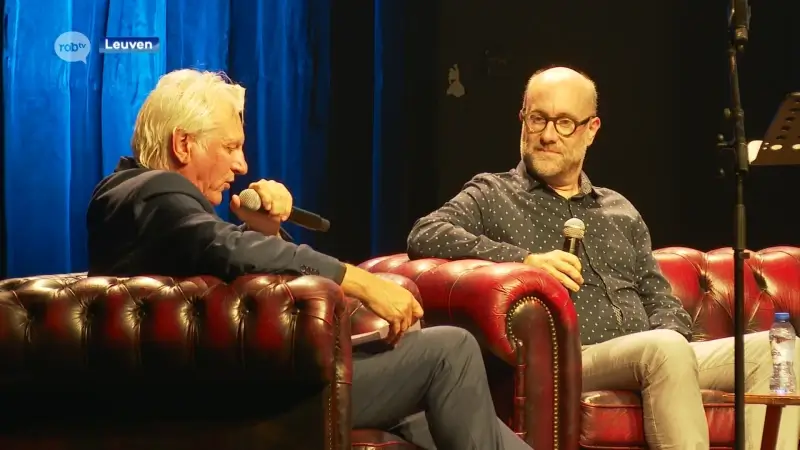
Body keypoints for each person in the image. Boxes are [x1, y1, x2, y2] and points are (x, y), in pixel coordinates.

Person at [85, 68, 531, 450]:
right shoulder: (153, 191)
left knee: (438, 401)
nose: (242, 165)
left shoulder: (133, 198)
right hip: (229, 402)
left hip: (232, 385)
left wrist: (261, 228)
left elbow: (220, 259)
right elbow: (229, 250)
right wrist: (360, 280)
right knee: (449, 351)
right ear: (183, 145)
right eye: (230, 146)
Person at [406, 65, 800, 450]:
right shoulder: (493, 193)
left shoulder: (619, 210)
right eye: (538, 119)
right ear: (522, 119)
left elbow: (658, 296)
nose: (547, 135)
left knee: (777, 349)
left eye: (563, 123)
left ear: (590, 130)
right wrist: (525, 259)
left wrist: (677, 346)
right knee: (663, 348)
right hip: (572, 359)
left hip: (655, 352)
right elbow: (426, 234)